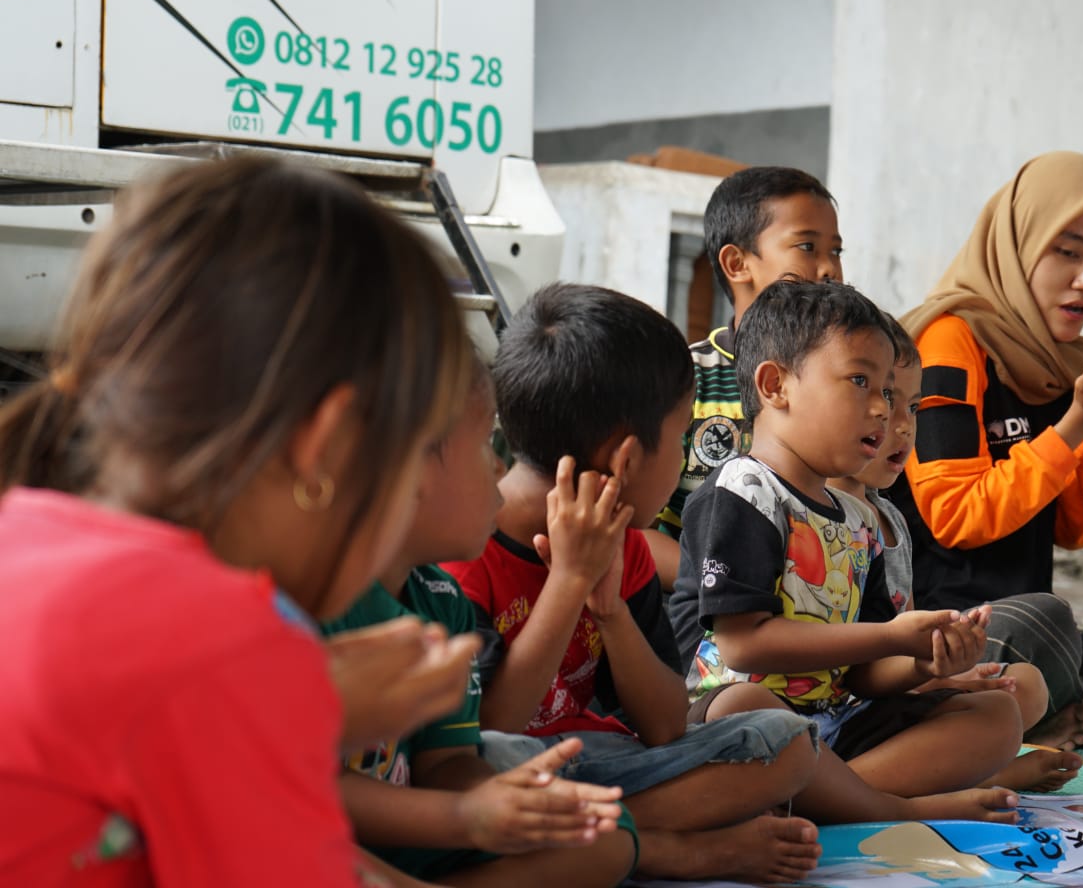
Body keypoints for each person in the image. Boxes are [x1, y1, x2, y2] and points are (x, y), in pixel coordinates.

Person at [0, 157, 473, 887]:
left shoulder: (26, 528)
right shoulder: (222, 644)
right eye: (415, 454)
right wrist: (278, 698)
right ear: (329, 446)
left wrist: (301, 705)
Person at [443, 282, 823, 885]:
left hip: (597, 765)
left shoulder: (628, 548)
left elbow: (665, 726)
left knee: (786, 742)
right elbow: (487, 731)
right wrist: (568, 583)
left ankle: (605, 834)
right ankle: (663, 844)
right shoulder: (464, 553)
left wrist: (612, 612)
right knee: (491, 762)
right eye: (677, 440)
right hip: (500, 778)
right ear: (624, 461)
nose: (681, 460)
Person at [671, 279, 1030, 824]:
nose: (882, 410)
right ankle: (890, 807)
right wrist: (890, 636)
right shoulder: (743, 491)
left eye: (886, 391)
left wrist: (921, 662)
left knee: (997, 714)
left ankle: (829, 796)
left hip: (831, 724)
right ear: (775, 386)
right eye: (859, 381)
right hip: (737, 726)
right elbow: (743, 646)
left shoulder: (860, 519)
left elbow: (859, 674)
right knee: (749, 709)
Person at [889, 150, 1083, 748]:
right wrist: (1076, 424)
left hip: (1024, 631)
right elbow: (955, 514)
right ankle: (1037, 715)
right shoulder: (947, 340)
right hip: (936, 639)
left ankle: (1043, 711)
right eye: (1067, 252)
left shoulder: (1062, 362)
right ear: (1017, 245)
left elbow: (1081, 529)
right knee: (1049, 622)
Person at [325, 349, 638, 887]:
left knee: (607, 836)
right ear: (408, 464)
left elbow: (445, 761)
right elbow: (294, 786)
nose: (499, 466)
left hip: (408, 837)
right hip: (313, 839)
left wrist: (498, 799)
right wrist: (464, 820)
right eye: (482, 443)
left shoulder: (440, 598)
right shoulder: (320, 606)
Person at [826, 315, 1083, 793]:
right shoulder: (788, 506)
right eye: (882, 399)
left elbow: (871, 675)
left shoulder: (888, 516)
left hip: (867, 710)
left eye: (915, 406)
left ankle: (866, 783)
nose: (901, 427)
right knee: (1041, 622)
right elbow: (777, 661)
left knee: (1019, 688)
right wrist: (922, 670)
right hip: (801, 720)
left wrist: (935, 676)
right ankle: (848, 793)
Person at [649, 166, 843, 587]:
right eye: (807, 247)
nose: (829, 268)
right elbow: (634, 532)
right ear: (737, 264)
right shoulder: (686, 379)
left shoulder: (847, 380)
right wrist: (725, 579)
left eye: (836, 251)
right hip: (696, 622)